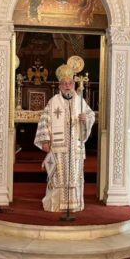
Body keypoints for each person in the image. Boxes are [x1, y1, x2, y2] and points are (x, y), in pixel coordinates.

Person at [34, 64, 95, 212]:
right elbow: (44, 120)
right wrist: (45, 140)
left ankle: (74, 204)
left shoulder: (80, 101)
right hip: (58, 147)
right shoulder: (53, 101)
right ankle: (56, 205)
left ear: (74, 85)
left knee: (75, 176)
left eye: (70, 83)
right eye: (64, 83)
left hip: (75, 147)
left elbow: (91, 115)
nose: (67, 86)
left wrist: (85, 119)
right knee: (58, 176)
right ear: (59, 86)